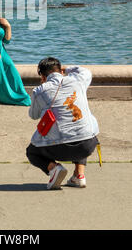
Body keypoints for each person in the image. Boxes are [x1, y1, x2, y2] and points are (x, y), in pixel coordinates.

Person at [26, 57, 99, 189]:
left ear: (42, 76)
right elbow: (85, 71)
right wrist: (67, 69)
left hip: (59, 149)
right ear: (61, 71)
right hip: (88, 145)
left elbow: (33, 115)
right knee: (80, 129)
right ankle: (79, 176)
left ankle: (54, 168)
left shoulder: (40, 91)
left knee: (31, 152)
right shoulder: (78, 80)